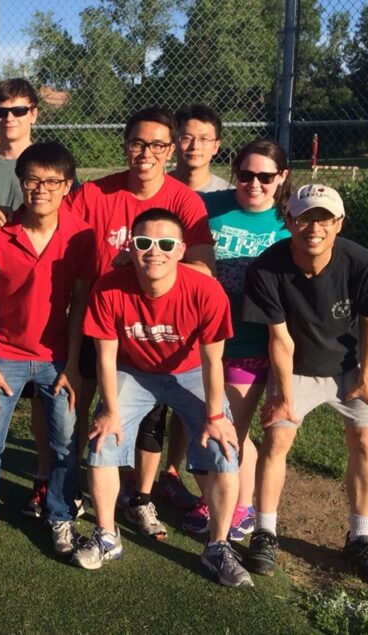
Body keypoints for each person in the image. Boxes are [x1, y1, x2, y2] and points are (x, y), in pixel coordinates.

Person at [72, 209, 251, 588]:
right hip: (134, 371)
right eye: (144, 243)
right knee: (103, 437)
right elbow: (106, 357)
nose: (155, 251)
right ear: (130, 247)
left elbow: (212, 360)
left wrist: (216, 415)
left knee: (223, 448)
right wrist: (110, 410)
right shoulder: (109, 287)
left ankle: (217, 547)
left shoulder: (205, 290)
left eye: (166, 244)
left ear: (182, 249)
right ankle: (107, 536)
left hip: (190, 371)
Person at [243, 184, 368, 585]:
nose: (314, 227)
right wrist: (283, 396)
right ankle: (265, 530)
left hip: (351, 364)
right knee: (277, 440)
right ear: (289, 221)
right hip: (296, 364)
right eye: (305, 217)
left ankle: (361, 537)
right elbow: (279, 338)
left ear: (338, 223)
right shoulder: (267, 267)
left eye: (324, 218)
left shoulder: (361, 262)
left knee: (364, 439)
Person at [0, 142, 94, 567]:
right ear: (22, 182)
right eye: (33, 180)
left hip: (56, 358)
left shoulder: (80, 236)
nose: (41, 190)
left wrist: (71, 364)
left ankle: (60, 516)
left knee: (65, 444)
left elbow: (78, 304)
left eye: (52, 182)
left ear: (67, 186)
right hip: (5, 356)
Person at [183, 140, 292, 541]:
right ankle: (212, 496)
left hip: (251, 343)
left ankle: (240, 507)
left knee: (233, 429)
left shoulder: (289, 221)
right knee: (203, 425)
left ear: (281, 178)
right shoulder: (210, 206)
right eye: (246, 175)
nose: (255, 184)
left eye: (266, 177)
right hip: (202, 337)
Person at [0, 77, 58, 518]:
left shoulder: (48, 165)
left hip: (37, 310)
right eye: (2, 110)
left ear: (34, 114)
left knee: (46, 404)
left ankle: (43, 480)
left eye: (19, 110)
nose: (10, 118)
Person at [141, 104, 234, 515]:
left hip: (203, 311)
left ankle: (173, 473)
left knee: (187, 398)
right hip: (151, 313)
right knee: (151, 404)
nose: (193, 146)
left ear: (216, 145)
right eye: (186, 136)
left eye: (204, 138)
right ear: (174, 140)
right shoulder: (161, 186)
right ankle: (139, 482)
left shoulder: (226, 194)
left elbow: (205, 262)